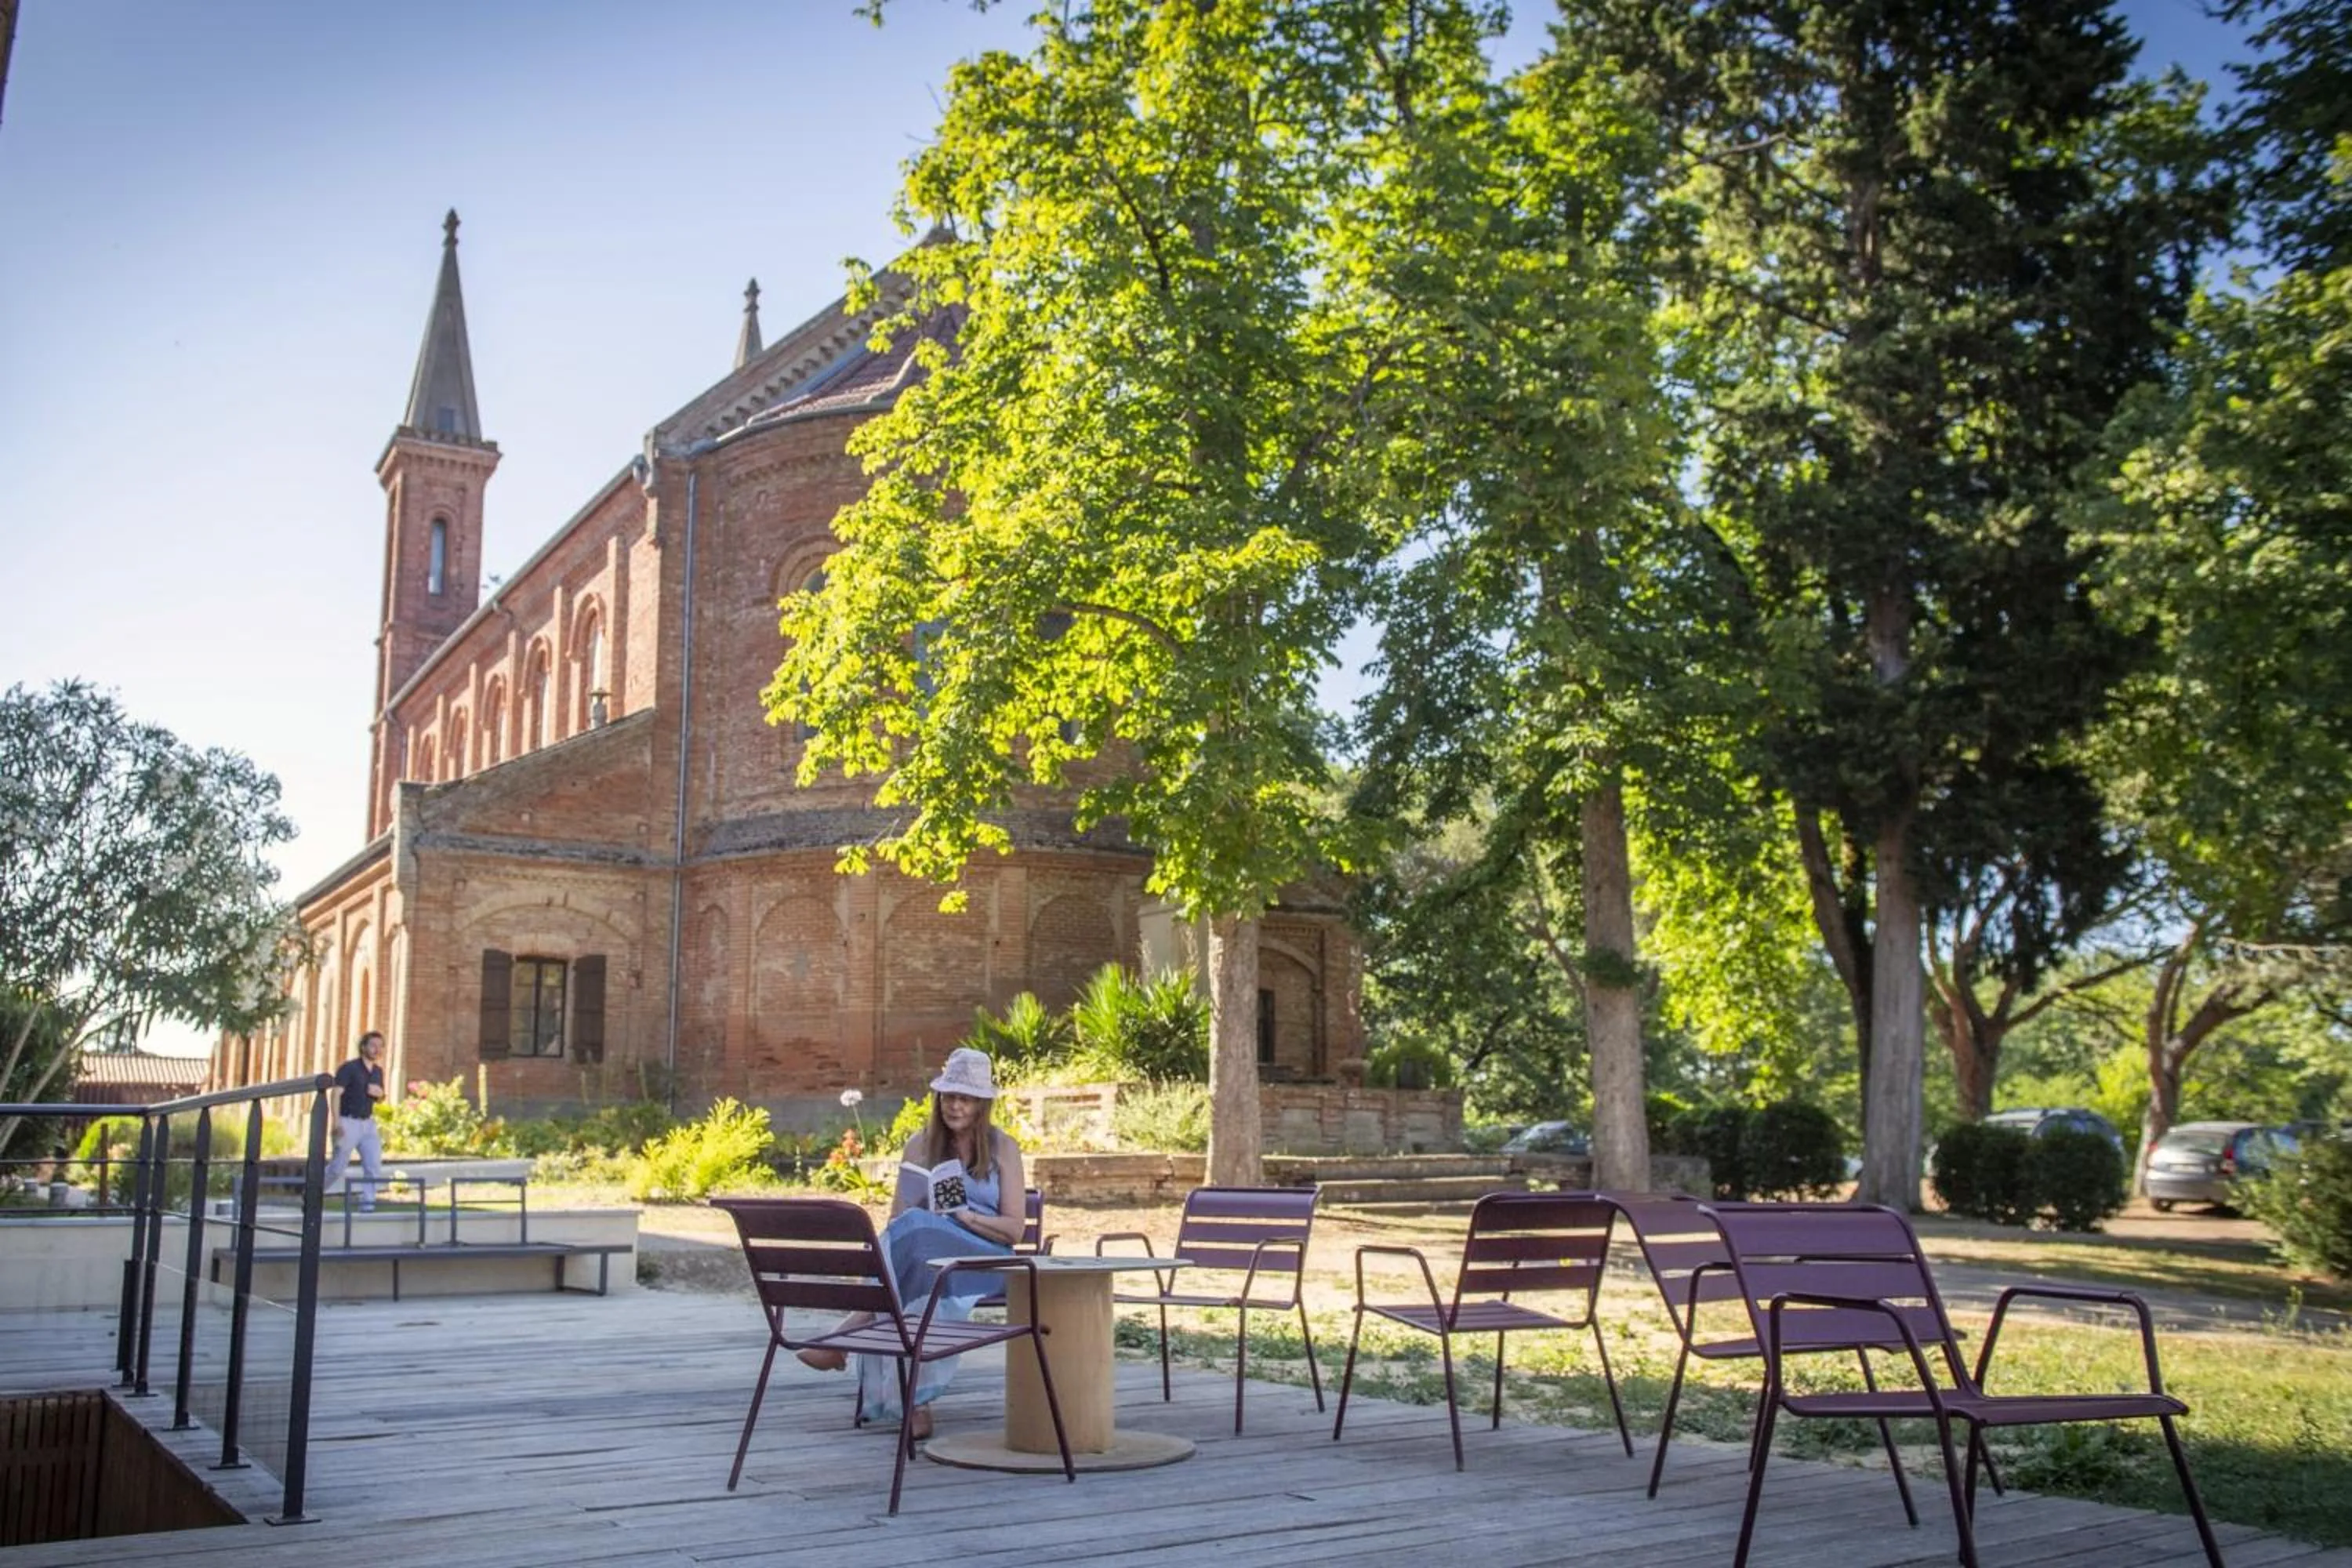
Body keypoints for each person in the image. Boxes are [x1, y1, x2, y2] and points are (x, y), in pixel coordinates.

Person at [797, 1047, 1025, 1441]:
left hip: (986, 1259)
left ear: (982, 1104)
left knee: (918, 1238)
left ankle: (848, 1333)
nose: (955, 1106)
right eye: (948, 1096)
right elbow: (897, 1223)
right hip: (928, 1258)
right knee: (915, 1243)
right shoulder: (920, 1145)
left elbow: (1014, 1231)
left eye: (965, 1098)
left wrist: (964, 1217)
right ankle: (916, 1404)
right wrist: (930, 1218)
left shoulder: (1003, 1147)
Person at [323, 1031, 388, 1211]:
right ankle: (312, 1194)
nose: (377, 1050)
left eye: (380, 1046)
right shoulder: (349, 1068)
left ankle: (368, 1205)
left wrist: (381, 1095)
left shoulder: (377, 1072)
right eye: (373, 1045)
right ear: (363, 1047)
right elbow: (336, 1093)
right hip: (348, 1121)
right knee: (337, 1168)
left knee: (373, 1164)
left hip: (368, 1124)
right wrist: (336, 1123)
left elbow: (379, 1096)